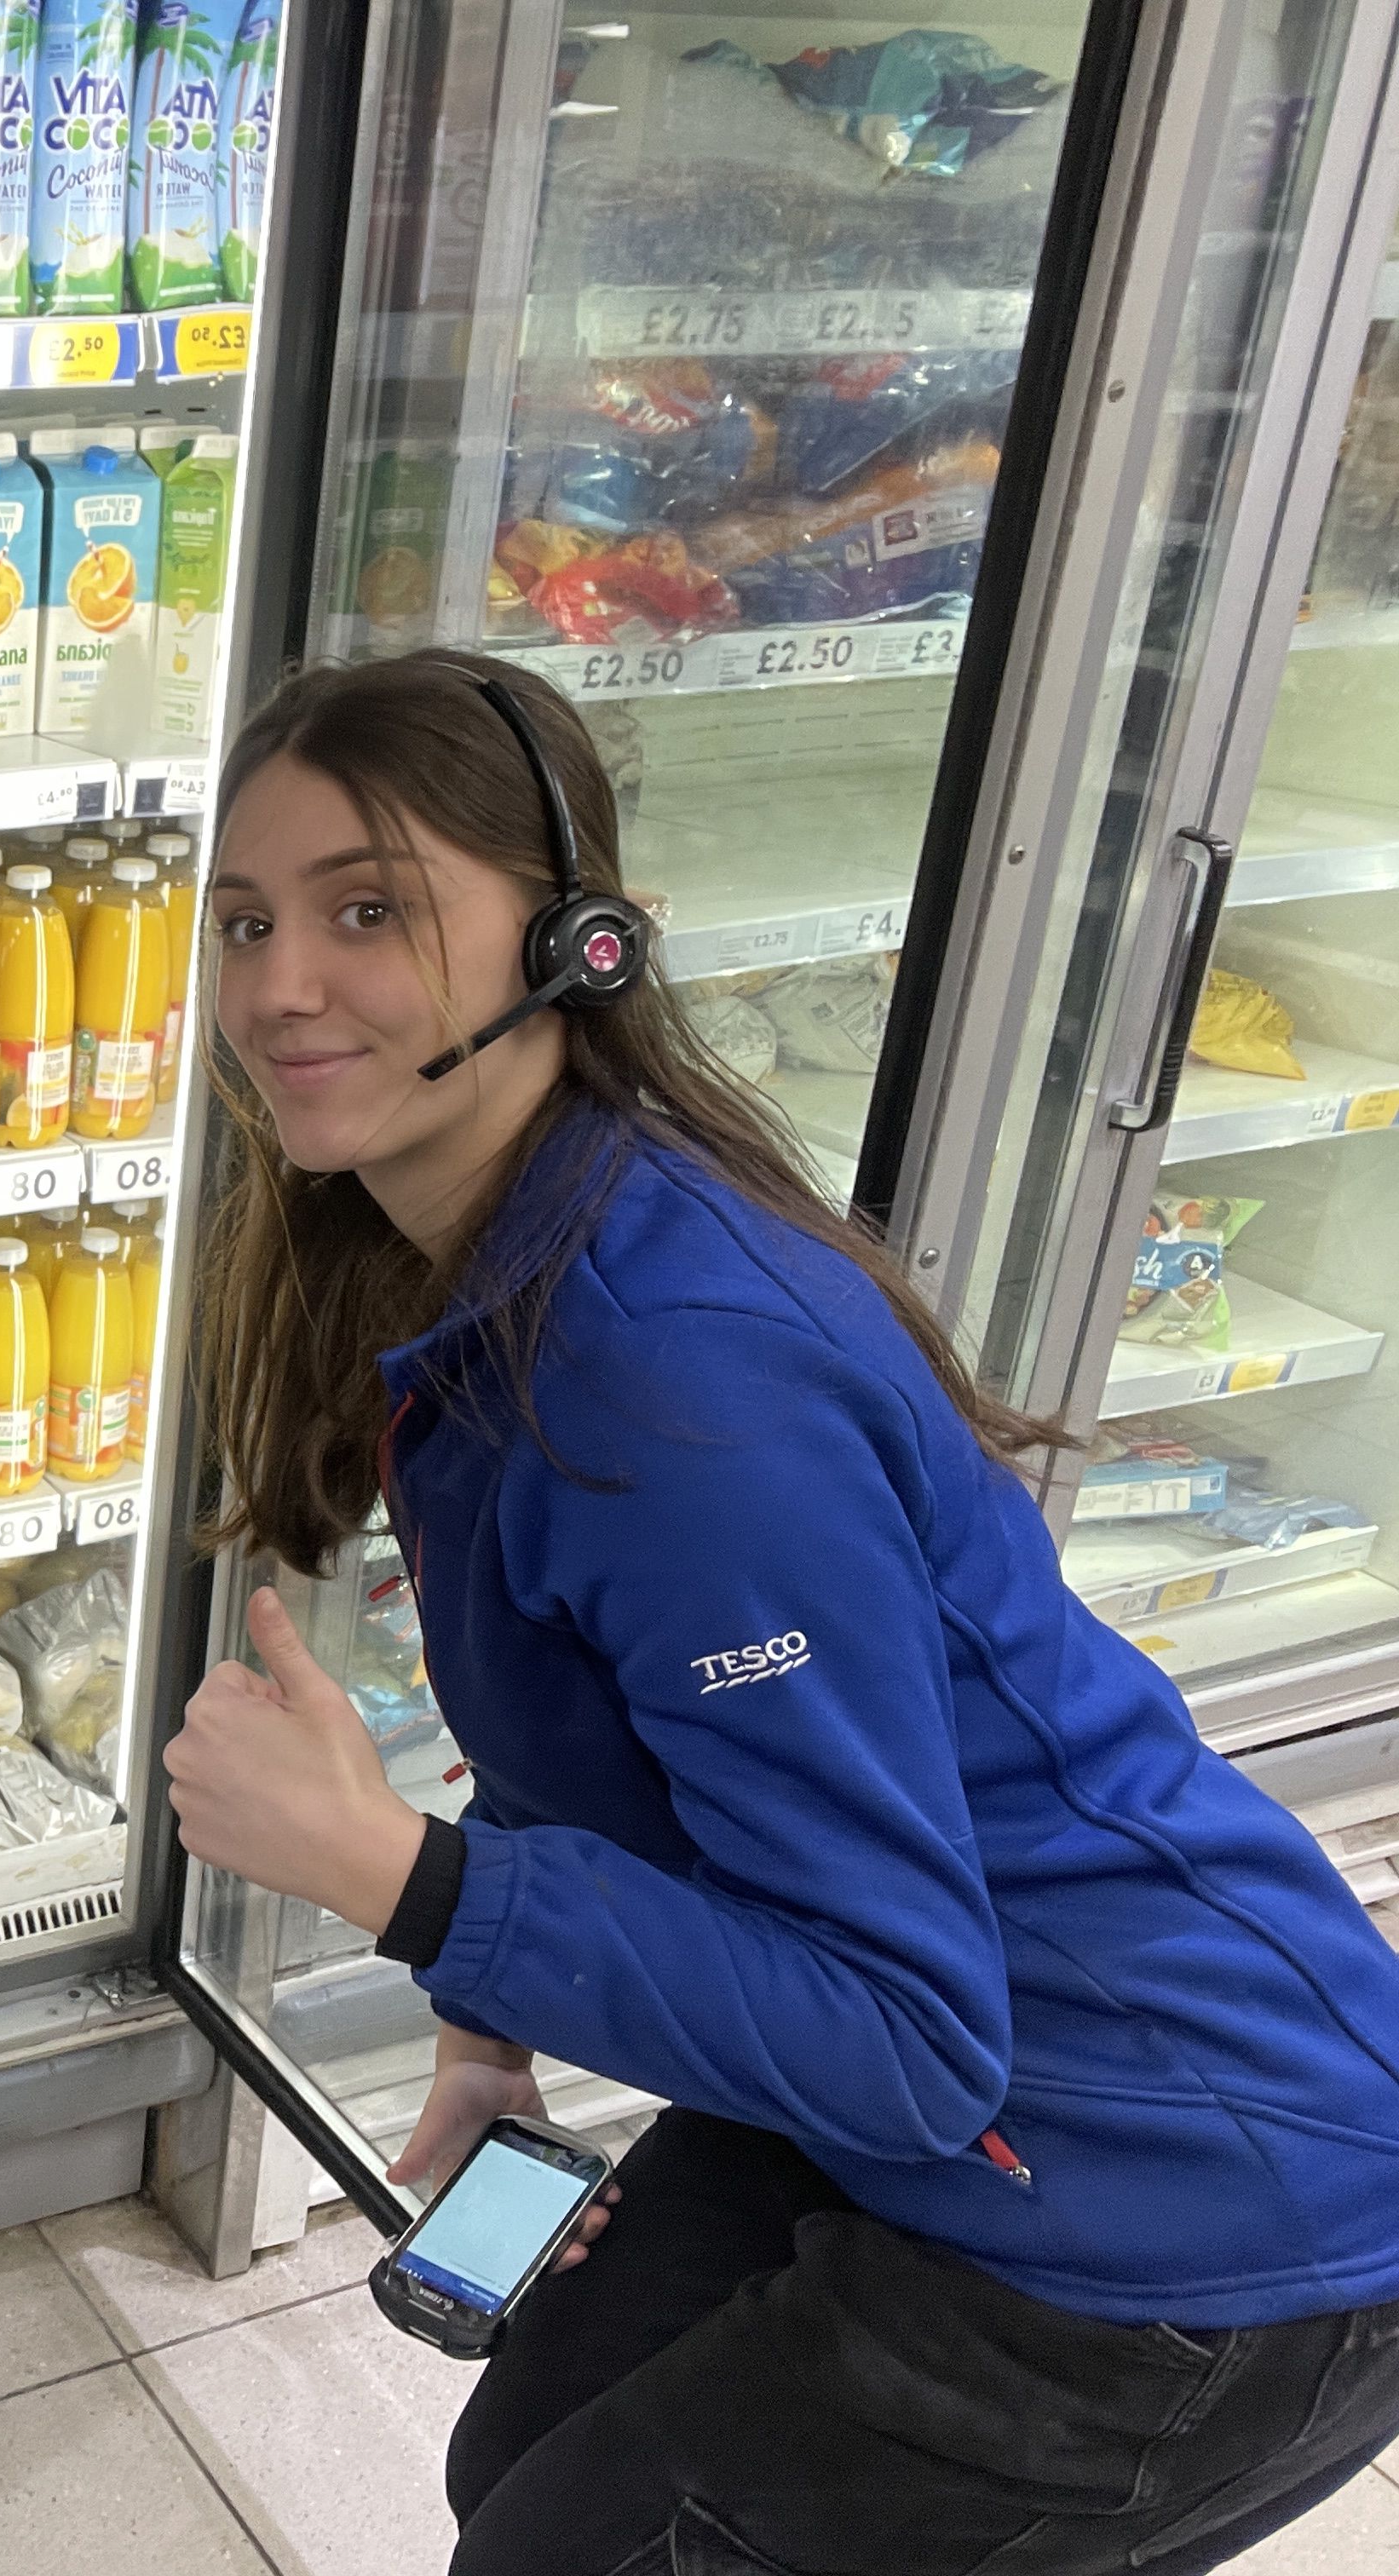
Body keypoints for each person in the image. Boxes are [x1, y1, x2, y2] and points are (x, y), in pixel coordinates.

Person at [161, 647, 1399, 2575]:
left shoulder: (671, 1372)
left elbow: (909, 2036)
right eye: (246, 918)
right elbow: (641, 1743)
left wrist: (405, 1878)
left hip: (1189, 2222)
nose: (274, 986)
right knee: (531, 2468)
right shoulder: (508, 1251)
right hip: (992, 2090)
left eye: (369, 910)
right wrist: (490, 2020)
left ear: (573, 947)